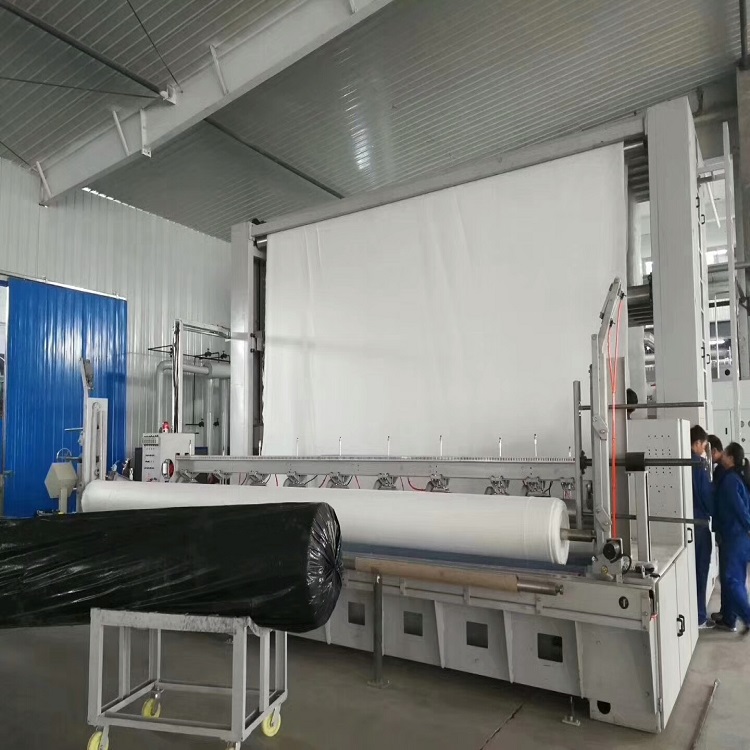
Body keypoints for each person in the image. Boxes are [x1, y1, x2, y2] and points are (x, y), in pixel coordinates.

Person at [712, 442, 750, 634]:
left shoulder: (730, 481)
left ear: (731, 458)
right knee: (735, 579)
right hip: (737, 537)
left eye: (725, 453)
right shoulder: (735, 477)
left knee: (730, 579)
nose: (722, 456)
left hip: (735, 537)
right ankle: (729, 619)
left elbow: (740, 509)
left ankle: (748, 617)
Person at [690, 425, 714, 629]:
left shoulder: (683, 461)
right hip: (700, 523)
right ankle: (699, 617)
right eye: (704, 445)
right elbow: (707, 496)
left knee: (693, 571)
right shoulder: (699, 464)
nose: (704, 449)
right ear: (697, 443)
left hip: (688, 523)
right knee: (701, 571)